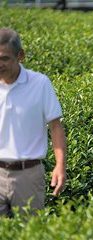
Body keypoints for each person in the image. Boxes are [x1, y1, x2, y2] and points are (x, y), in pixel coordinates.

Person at [0, 28, 66, 217]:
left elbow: (55, 126)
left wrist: (60, 165)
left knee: (29, 231)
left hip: (27, 174)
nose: (0, 64)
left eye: (4, 58)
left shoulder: (39, 83)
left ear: (20, 55)